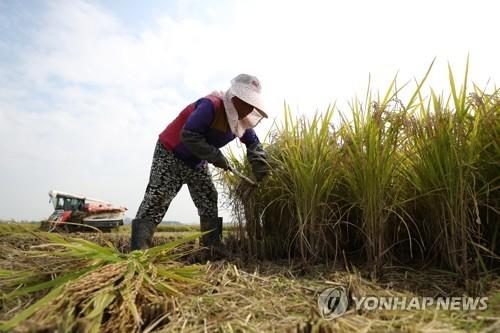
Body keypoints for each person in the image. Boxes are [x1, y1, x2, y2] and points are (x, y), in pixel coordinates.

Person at [130, 74, 269, 251]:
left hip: (197, 161)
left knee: (208, 196)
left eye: (252, 105)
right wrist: (216, 157)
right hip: (171, 153)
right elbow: (189, 134)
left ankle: (211, 247)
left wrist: (260, 167)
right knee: (158, 198)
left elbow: (253, 144)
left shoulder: (241, 122)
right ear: (235, 97)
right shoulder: (211, 105)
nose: (249, 109)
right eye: (247, 102)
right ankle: (138, 251)